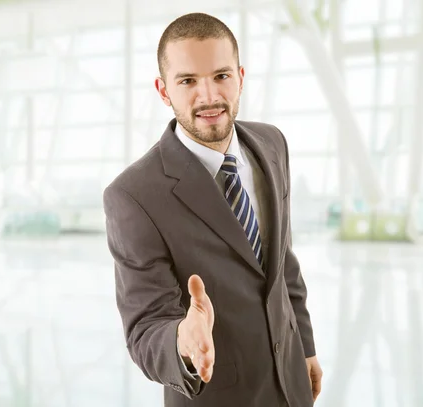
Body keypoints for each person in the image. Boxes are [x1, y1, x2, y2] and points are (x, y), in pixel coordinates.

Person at [103, 12, 323, 407]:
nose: (208, 97)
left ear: (240, 76)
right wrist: (182, 343)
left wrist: (304, 347)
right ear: (163, 90)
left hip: (291, 385)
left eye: (221, 76)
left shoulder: (272, 144)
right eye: (187, 81)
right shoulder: (133, 196)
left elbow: (283, 264)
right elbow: (145, 327)